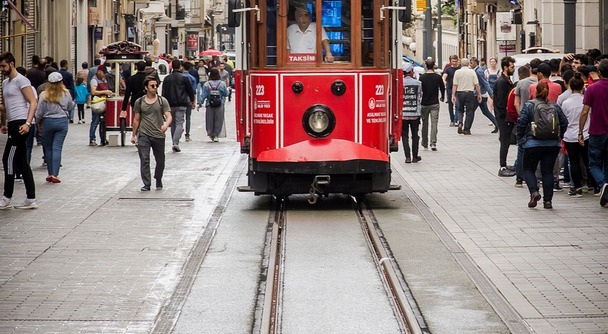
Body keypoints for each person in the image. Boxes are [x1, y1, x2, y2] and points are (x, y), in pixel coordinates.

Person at [516, 81, 568, 209]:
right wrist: (559, 136)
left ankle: (534, 192)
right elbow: (564, 122)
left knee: (528, 169)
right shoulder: (554, 106)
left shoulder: (529, 105)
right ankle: (548, 201)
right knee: (547, 172)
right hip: (552, 144)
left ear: (534, 92)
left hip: (532, 143)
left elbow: (521, 123)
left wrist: (521, 138)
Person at [0, 52, 39, 210]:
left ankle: (6, 196)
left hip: (21, 124)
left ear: (11, 64)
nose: (1, 69)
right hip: (12, 123)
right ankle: (31, 198)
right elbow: (5, 106)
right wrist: (3, 123)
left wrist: (28, 123)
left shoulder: (22, 80)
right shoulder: (5, 83)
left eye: (3, 66)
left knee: (7, 159)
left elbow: (33, 101)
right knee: (22, 161)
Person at [131, 77, 172, 191]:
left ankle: (158, 178)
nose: (155, 88)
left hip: (158, 134)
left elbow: (168, 115)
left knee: (160, 160)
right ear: (146, 88)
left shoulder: (161, 101)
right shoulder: (139, 102)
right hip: (144, 133)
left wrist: (166, 125)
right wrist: (134, 135)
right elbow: (136, 119)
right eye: (152, 86)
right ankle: (147, 183)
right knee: (144, 159)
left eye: (156, 86)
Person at [578, 58, 608, 207]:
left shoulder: (593, 89)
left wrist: (580, 132)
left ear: (599, 72)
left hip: (597, 131)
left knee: (594, 163)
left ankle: (603, 184)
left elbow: (584, 112)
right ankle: (606, 190)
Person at [35, 72, 74, 183]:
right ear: (61, 82)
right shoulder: (66, 93)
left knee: (48, 147)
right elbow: (70, 106)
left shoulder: (43, 95)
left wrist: (38, 123)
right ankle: (55, 175)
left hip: (48, 122)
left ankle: (50, 173)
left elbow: (39, 112)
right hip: (62, 122)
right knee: (57, 147)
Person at [562, 73, 595, 197]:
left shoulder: (565, 102)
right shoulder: (585, 100)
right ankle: (594, 185)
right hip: (586, 133)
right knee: (588, 161)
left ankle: (577, 186)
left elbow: (564, 119)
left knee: (574, 161)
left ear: (570, 86)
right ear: (582, 87)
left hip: (570, 135)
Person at [162, 59, 195, 152]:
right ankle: (175, 142)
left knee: (172, 123)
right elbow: (190, 90)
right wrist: (192, 100)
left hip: (170, 104)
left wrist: (163, 104)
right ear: (180, 66)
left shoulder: (167, 78)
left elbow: (164, 92)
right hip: (181, 103)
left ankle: (174, 141)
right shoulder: (184, 78)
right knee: (180, 123)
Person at [494, 56, 517, 177]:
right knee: (504, 141)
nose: (513, 69)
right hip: (504, 117)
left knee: (506, 141)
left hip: (505, 117)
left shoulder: (507, 80)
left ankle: (504, 164)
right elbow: (501, 102)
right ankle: (502, 166)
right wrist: (507, 116)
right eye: (512, 67)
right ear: (505, 67)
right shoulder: (502, 82)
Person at [419, 58, 445, 151]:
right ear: (434, 65)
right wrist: (442, 97)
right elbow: (442, 88)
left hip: (424, 103)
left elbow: (419, 90)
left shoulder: (422, 77)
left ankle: (424, 142)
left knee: (424, 124)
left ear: (426, 66)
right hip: (434, 103)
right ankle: (433, 143)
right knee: (434, 124)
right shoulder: (437, 77)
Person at [451, 58, 481, 135]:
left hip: (460, 93)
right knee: (469, 111)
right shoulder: (472, 72)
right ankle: (467, 129)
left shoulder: (457, 72)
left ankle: (460, 121)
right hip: (469, 93)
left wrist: (453, 95)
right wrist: (479, 94)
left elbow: (455, 84)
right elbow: (476, 84)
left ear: (460, 64)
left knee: (460, 109)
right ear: (468, 64)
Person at [201, 68, 230, 142]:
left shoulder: (207, 84)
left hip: (209, 104)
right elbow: (226, 94)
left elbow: (203, 95)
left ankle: (211, 134)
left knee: (209, 119)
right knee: (219, 119)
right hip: (220, 103)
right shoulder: (222, 83)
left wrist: (199, 103)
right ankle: (216, 134)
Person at [401, 63, 422, 163]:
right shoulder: (418, 83)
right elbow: (420, 96)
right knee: (415, 135)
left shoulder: (400, 83)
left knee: (405, 136)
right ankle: (415, 156)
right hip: (415, 113)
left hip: (403, 114)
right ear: (411, 72)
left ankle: (407, 157)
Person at [470, 57, 498, 133]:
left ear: (475, 63)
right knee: (485, 111)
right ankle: (497, 125)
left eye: (471, 63)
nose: (470, 64)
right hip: (481, 94)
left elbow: (485, 83)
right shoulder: (476, 70)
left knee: (471, 111)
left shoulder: (478, 71)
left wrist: (491, 93)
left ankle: (467, 128)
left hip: (479, 95)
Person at [89, 65, 113, 146]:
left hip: (103, 103)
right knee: (95, 121)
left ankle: (103, 138)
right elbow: (93, 92)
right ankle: (92, 138)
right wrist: (105, 92)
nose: (104, 75)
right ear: (99, 71)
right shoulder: (94, 80)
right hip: (97, 103)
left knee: (103, 122)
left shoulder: (103, 79)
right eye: (103, 73)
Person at [181, 61, 198, 142]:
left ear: (182, 67)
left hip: (180, 99)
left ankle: (179, 130)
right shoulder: (192, 78)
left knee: (179, 118)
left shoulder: (179, 77)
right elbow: (194, 91)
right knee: (188, 117)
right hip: (188, 100)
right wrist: (194, 101)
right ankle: (187, 134)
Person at [442, 55, 460, 126]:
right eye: (453, 61)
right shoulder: (448, 69)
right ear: (451, 61)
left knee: (457, 104)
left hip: (458, 89)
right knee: (450, 104)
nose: (454, 63)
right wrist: (444, 81)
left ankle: (456, 119)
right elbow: (444, 76)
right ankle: (452, 120)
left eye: (455, 61)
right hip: (450, 88)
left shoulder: (459, 69)